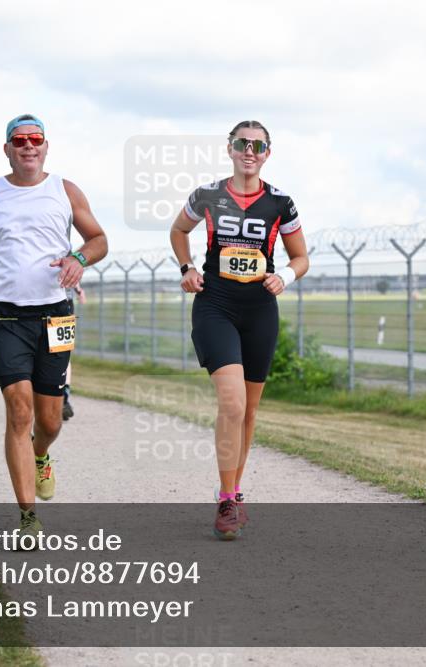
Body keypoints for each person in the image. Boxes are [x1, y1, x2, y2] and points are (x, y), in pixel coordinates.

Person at [0, 113, 109, 538]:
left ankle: (41, 454)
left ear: (46, 146)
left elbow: (98, 239)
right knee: (18, 409)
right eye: (19, 140)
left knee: (50, 419)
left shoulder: (65, 190)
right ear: (7, 148)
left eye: (35, 139)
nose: (28, 146)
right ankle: (27, 519)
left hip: (56, 314)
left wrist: (78, 259)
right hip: (5, 315)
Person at [170, 121, 309, 540]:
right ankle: (228, 502)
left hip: (260, 310)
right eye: (241, 144)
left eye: (257, 145)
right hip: (215, 305)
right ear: (229, 148)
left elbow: (301, 256)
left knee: (248, 412)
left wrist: (284, 275)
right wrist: (188, 268)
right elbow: (179, 231)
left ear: (268, 152)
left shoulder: (280, 202)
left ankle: (231, 490)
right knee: (231, 404)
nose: (249, 151)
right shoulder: (207, 196)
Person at [62, 285, 86, 421]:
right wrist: (79, 290)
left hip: (37, 302)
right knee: (64, 354)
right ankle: (63, 397)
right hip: (65, 302)